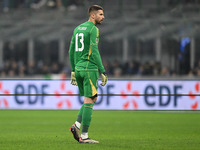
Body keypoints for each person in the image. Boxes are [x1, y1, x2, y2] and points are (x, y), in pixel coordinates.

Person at [68, 5, 108, 144]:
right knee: (89, 100)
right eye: (101, 14)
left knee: (92, 99)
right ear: (93, 15)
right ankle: (84, 135)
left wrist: (73, 70)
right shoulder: (93, 29)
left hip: (78, 69)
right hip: (88, 69)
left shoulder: (77, 28)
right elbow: (95, 51)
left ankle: (76, 126)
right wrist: (102, 70)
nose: (103, 17)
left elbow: (71, 51)